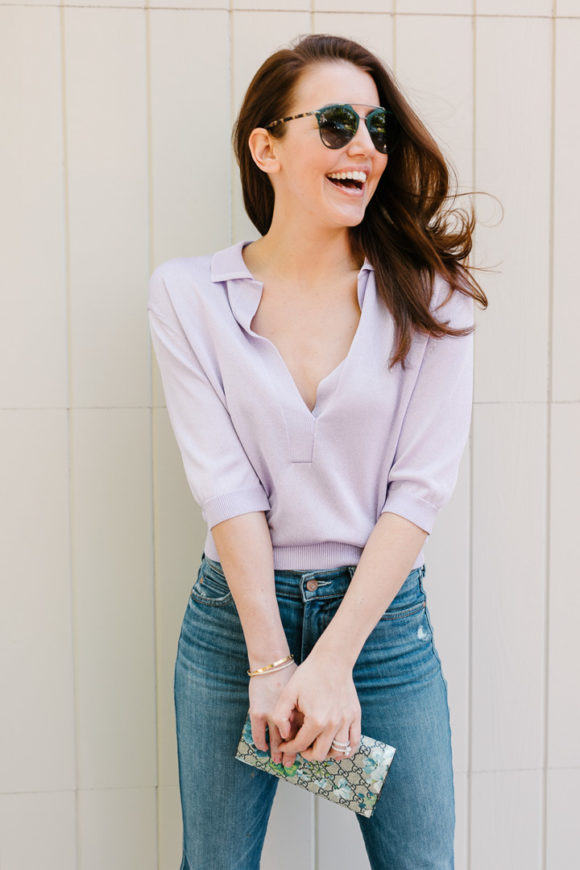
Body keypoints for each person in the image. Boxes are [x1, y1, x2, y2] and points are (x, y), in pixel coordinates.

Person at [147, 33, 488, 870]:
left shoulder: (432, 298)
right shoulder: (189, 295)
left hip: (381, 629)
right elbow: (224, 486)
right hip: (236, 626)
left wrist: (332, 661)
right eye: (336, 123)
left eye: (377, 128)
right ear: (266, 146)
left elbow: (418, 492)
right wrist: (272, 661)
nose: (365, 147)